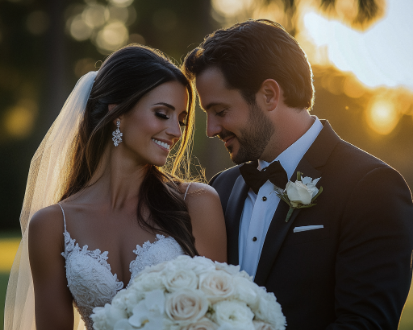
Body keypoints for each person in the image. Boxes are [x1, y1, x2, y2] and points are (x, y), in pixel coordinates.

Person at [183, 19, 413, 329]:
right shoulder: (220, 190)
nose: (211, 129)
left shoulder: (372, 187)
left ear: (269, 95)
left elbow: (365, 323)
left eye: (220, 111)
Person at [4, 45, 227, 330]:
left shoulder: (196, 203)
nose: (175, 132)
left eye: (181, 120)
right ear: (117, 113)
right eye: (162, 114)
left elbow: (220, 316)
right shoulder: (51, 225)